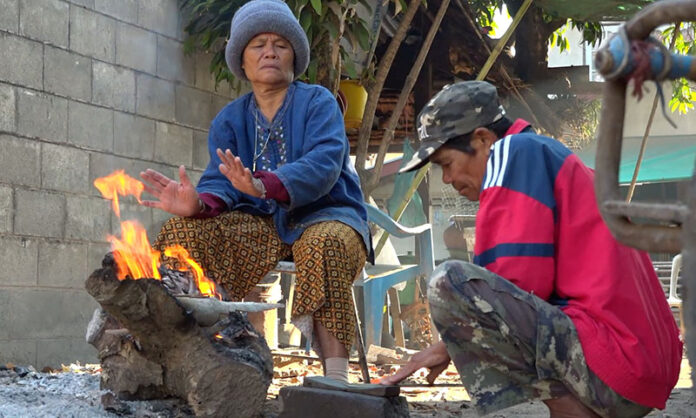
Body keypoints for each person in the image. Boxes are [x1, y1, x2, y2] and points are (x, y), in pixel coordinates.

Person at [380, 81, 682, 417]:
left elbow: (514, 285)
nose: (447, 179)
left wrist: (450, 341)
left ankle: (571, 412)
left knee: (450, 282)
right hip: (641, 372)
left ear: (482, 140)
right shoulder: (548, 156)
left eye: (446, 163)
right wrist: (447, 345)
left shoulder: (514, 153)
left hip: (616, 365)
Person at [139, 0, 372, 384]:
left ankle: (336, 382)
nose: (269, 51)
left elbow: (325, 164)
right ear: (242, 62)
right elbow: (219, 181)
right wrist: (198, 203)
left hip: (328, 216)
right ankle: (192, 359)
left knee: (324, 244)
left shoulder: (319, 103)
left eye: (280, 44)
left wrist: (265, 184)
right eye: (258, 44)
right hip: (261, 226)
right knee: (182, 232)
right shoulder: (229, 119)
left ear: (294, 57)